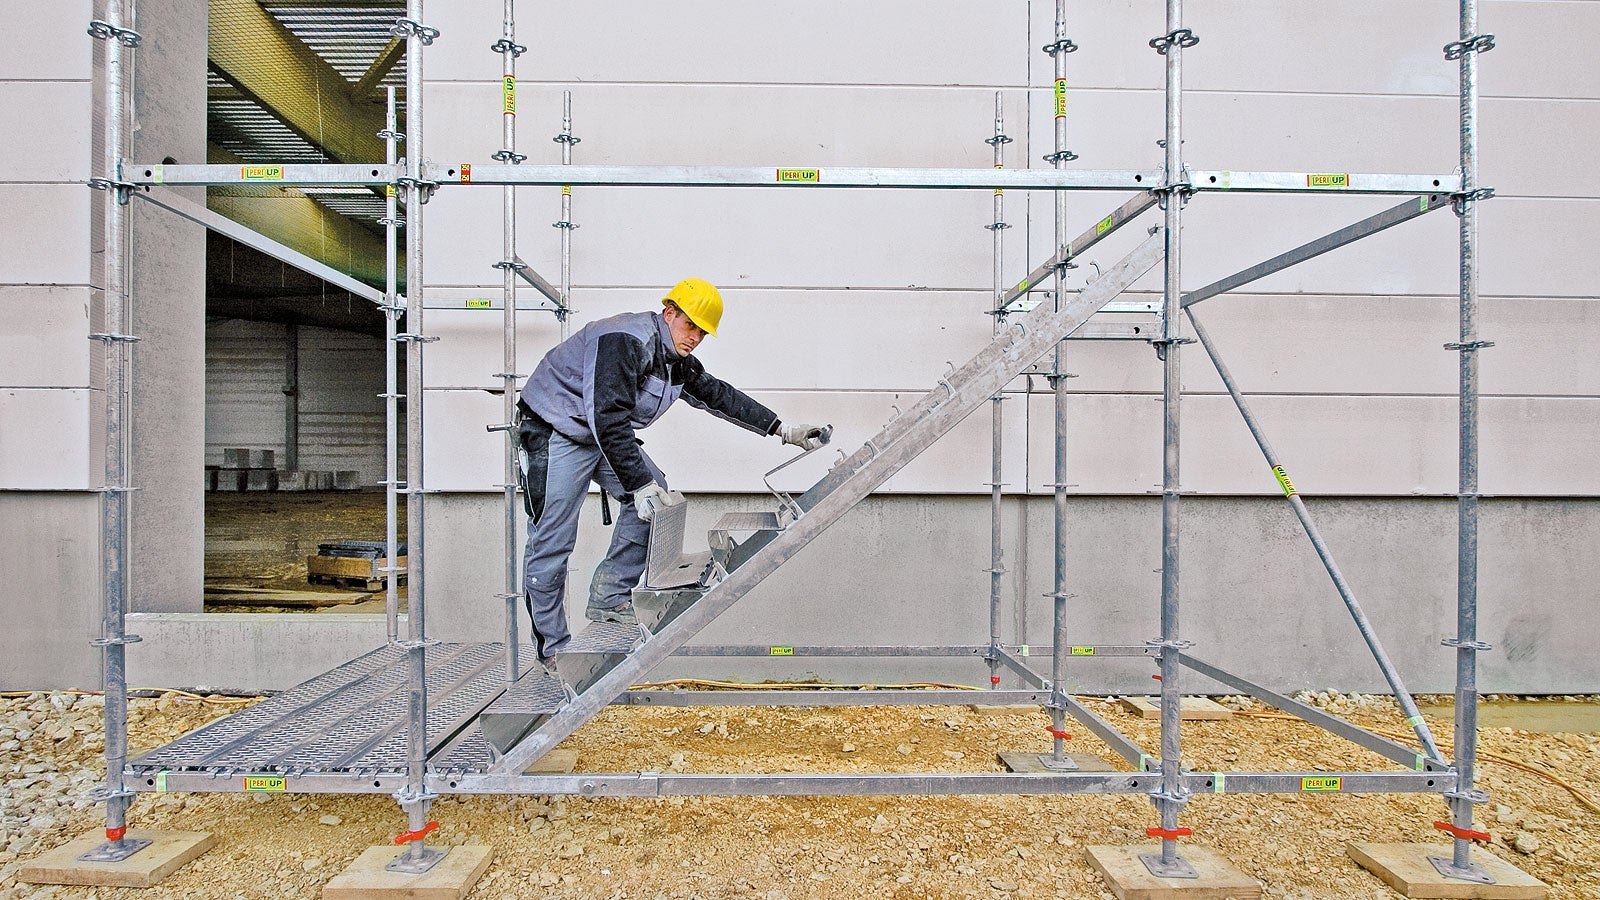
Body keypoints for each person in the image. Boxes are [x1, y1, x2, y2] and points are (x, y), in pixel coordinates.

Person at [515, 278, 830, 665]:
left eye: (702, 331)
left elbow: (718, 395)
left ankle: (609, 596)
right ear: (669, 313)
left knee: (656, 500)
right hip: (554, 430)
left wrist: (783, 429)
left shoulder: (674, 360)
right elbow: (609, 415)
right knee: (553, 542)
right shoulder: (625, 340)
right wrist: (638, 483)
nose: (695, 337)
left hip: (598, 432)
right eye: (690, 325)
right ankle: (553, 652)